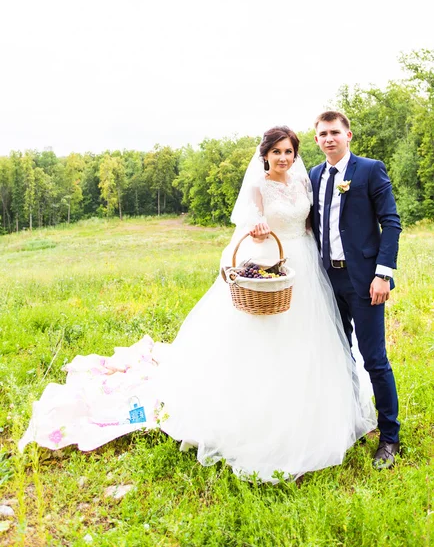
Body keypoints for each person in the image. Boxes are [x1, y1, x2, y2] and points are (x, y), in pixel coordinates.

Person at [20, 126, 377, 483]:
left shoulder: (304, 183)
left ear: (296, 154)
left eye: (289, 152)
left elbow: (313, 223)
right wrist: (256, 233)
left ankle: (315, 415)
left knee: (310, 342)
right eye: (277, 152)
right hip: (274, 261)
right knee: (269, 342)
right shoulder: (257, 187)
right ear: (265, 155)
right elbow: (246, 230)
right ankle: (261, 423)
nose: (283, 158)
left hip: (306, 266)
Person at [309, 111, 401, 470]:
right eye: (323, 134)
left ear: (348, 135)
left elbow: (391, 221)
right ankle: (349, 421)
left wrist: (383, 274)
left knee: (374, 358)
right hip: (326, 280)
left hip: (364, 280)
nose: (329, 138)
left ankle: (390, 437)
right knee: (337, 353)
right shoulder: (314, 176)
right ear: (316, 140)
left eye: (335, 132)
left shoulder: (369, 169)